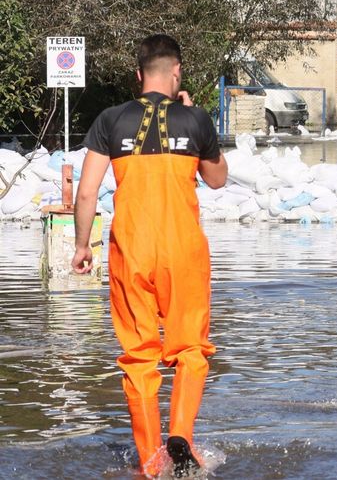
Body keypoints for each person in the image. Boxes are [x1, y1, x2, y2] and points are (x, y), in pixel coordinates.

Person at [71, 34, 227, 476]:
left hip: (131, 250)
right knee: (190, 350)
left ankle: (151, 460)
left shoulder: (109, 120)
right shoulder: (195, 118)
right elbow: (217, 180)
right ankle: (181, 434)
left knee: (140, 356)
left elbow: (86, 193)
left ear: (139, 76)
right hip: (183, 252)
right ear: (176, 72)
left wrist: (83, 245)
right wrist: (193, 117)